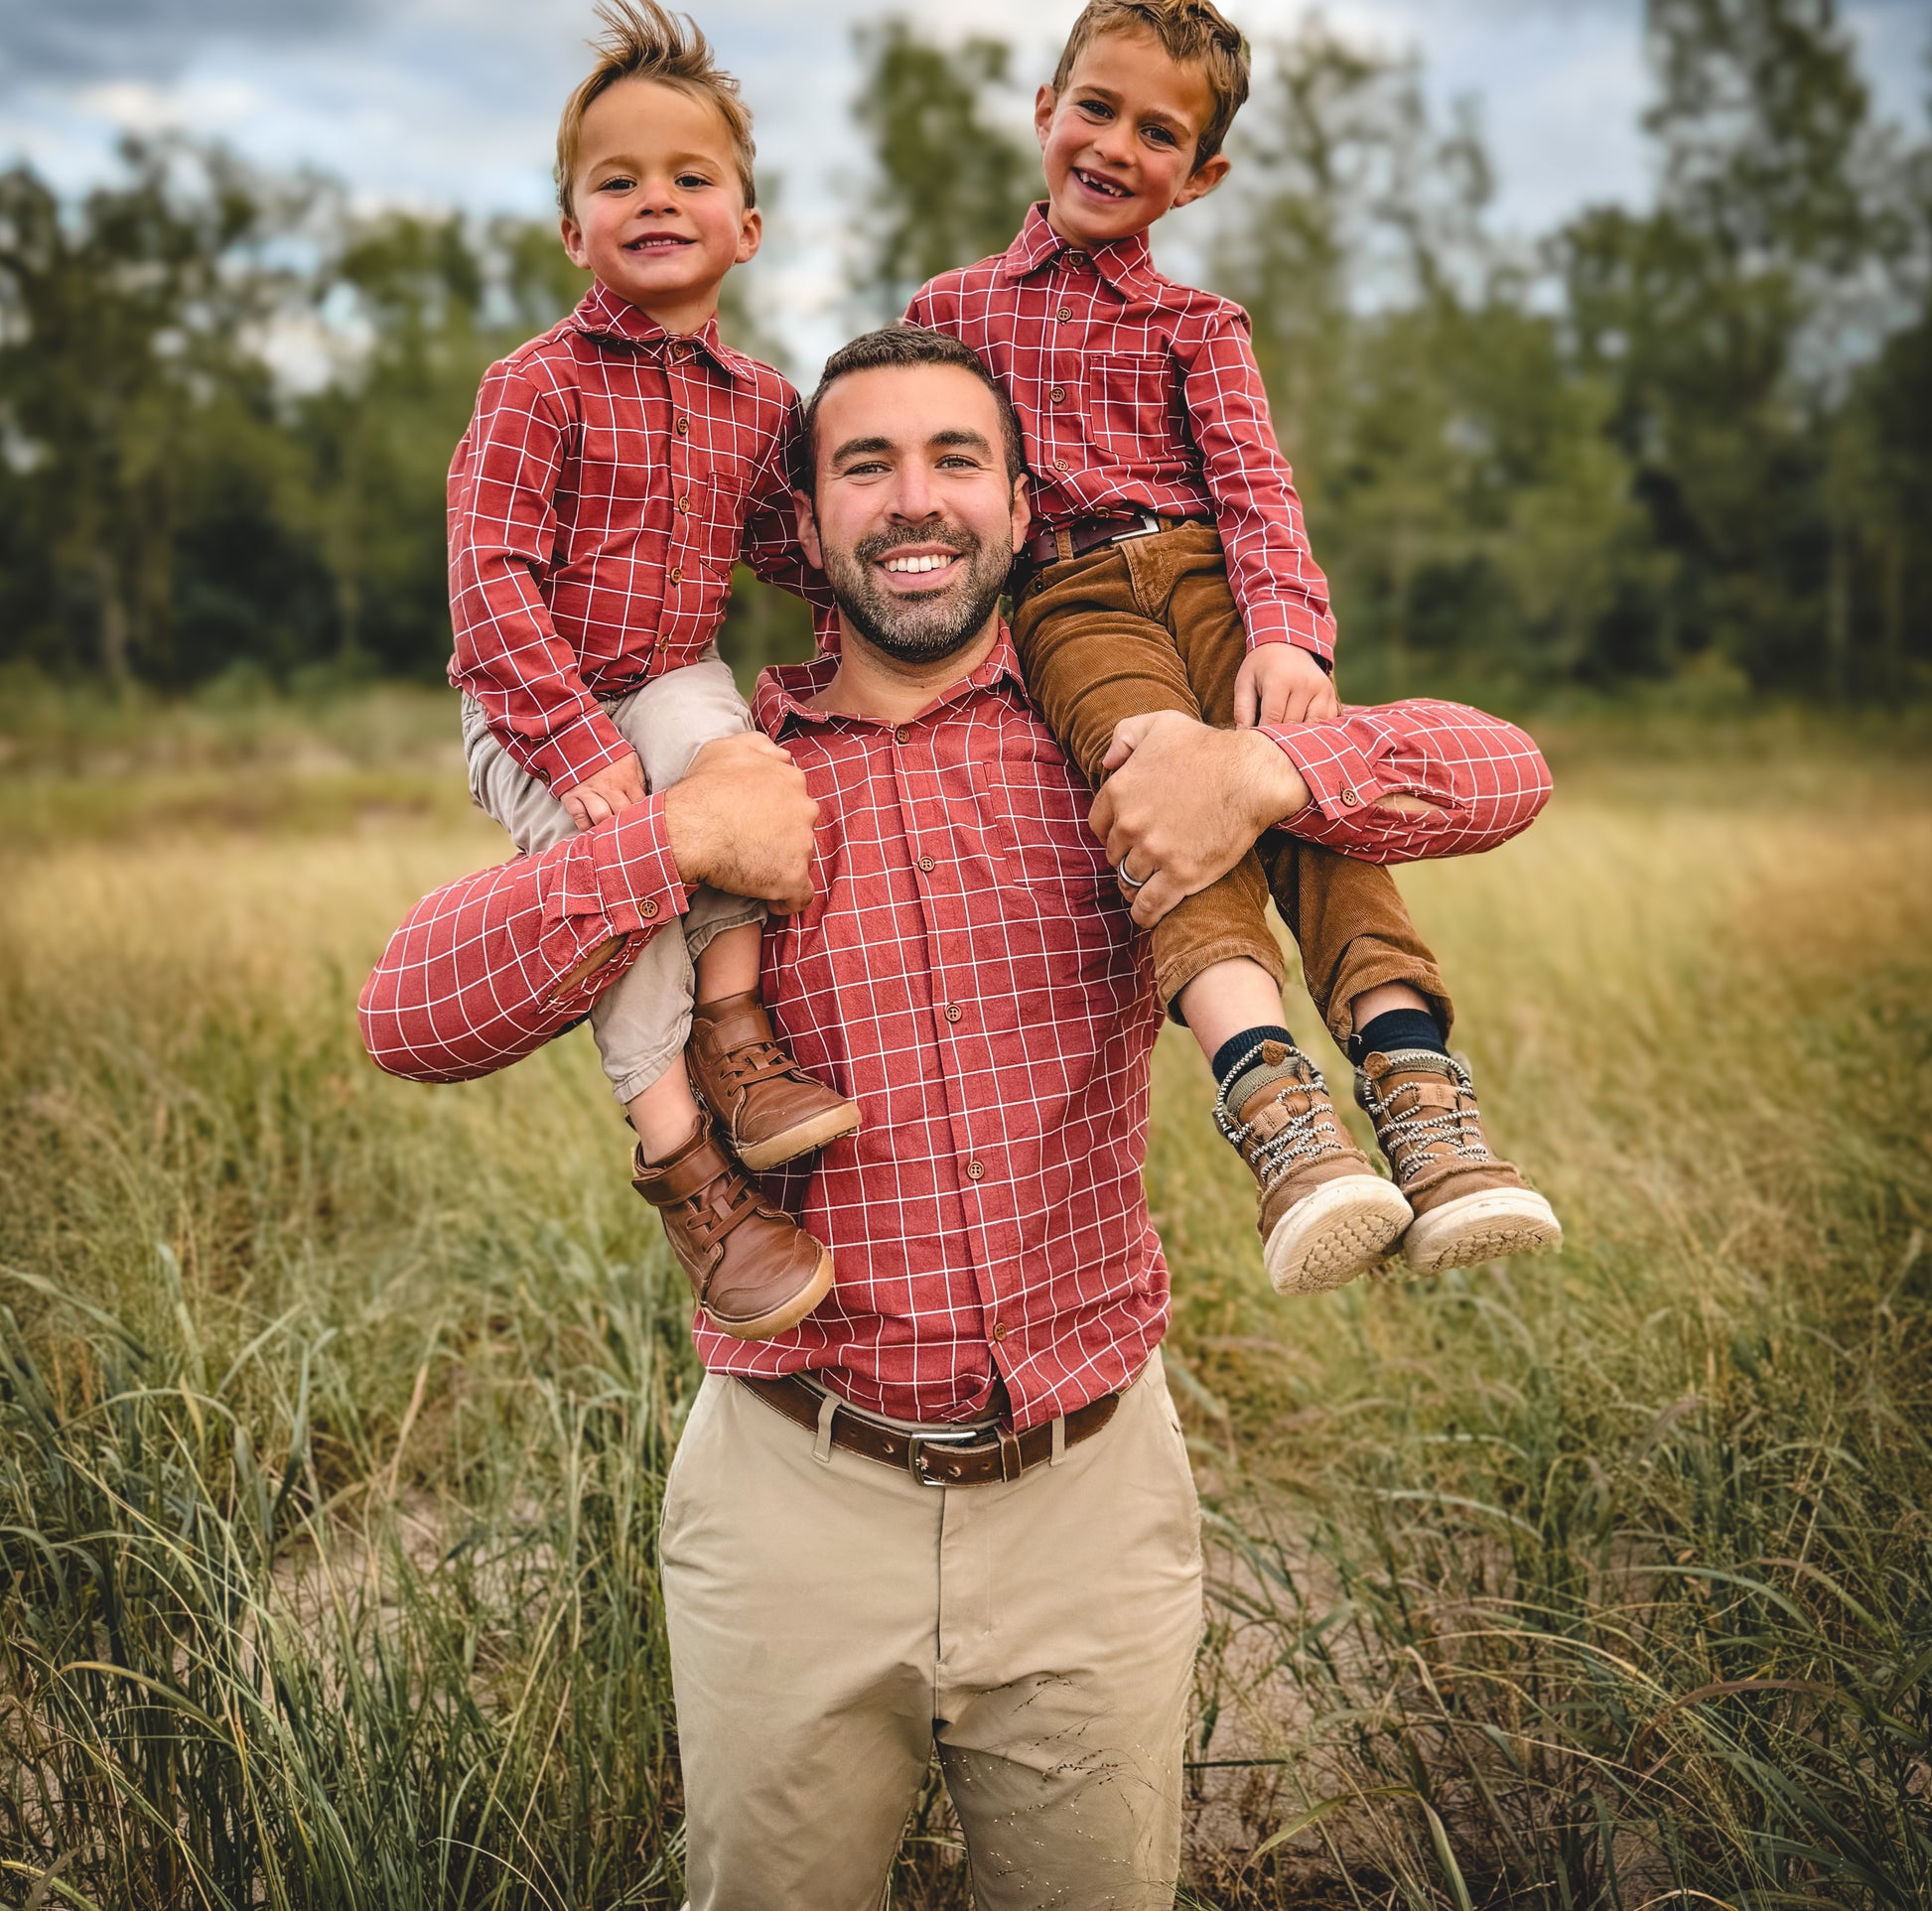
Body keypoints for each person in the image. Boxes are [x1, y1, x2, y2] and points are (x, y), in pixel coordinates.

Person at [361, 326, 1556, 1910]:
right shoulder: (726, 771)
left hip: (1089, 1500)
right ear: (803, 512)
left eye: (953, 461)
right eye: (865, 464)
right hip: (791, 1498)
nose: (911, 502)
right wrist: (670, 845)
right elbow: (408, 1015)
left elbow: (1508, 773)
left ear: (1014, 503)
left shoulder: (1117, 748)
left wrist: (1260, 768)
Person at [904, 0, 1563, 1291]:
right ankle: (1280, 1115)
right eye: (1095, 108)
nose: (1114, 145)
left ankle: (1420, 1100)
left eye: (1157, 133)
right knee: (1164, 790)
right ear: (1043, 111)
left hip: (1211, 579)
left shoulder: (1199, 326)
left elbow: (1256, 486)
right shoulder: (950, 310)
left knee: (1304, 791)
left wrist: (1291, 641)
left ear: (1197, 178)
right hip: (1070, 599)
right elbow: (932, 495)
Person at [446, 0, 851, 1340]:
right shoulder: (534, 384)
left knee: (735, 772)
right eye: (616, 181)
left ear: (745, 222)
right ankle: (687, 1167)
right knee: (626, 886)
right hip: (530, 698)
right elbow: (489, 585)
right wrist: (573, 748)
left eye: (690, 175)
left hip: (669, 672)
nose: (654, 198)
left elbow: (795, 550)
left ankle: (736, 1048)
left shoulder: (762, 404)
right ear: (575, 228)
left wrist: (894, 608)